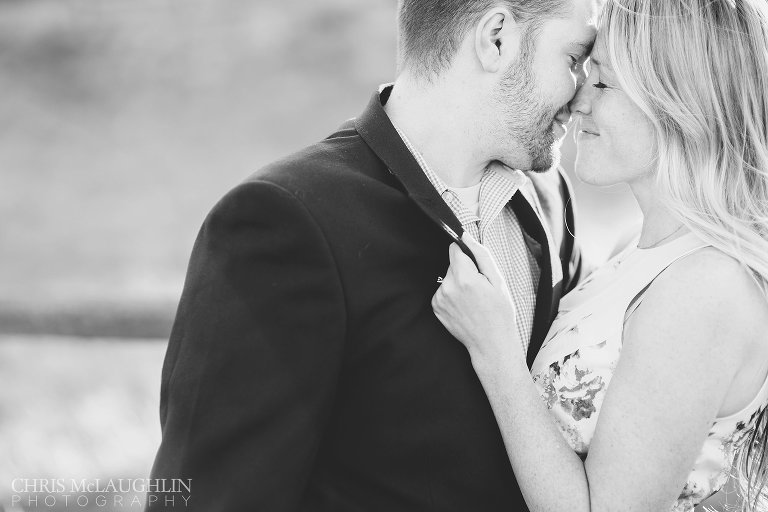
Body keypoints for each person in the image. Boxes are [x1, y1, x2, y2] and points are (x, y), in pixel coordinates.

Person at [147, 0, 600, 510]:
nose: (584, 95)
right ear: (496, 37)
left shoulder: (549, 199)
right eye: (574, 58)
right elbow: (215, 496)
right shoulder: (287, 221)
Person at [432, 0, 768, 511]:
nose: (577, 101)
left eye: (604, 82)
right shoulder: (636, 247)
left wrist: (494, 350)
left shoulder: (705, 287)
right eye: (583, 72)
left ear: (680, 102)